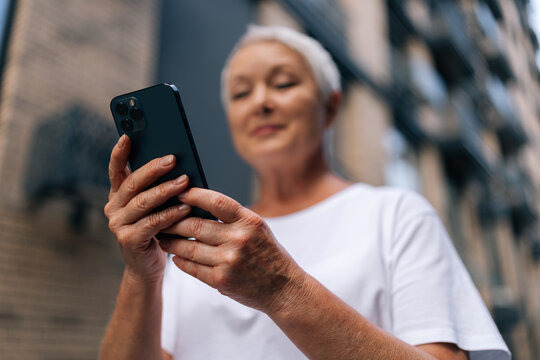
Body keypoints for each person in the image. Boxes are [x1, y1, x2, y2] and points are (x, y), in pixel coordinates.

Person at [99, 25, 510, 360]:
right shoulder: (196, 240)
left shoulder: (395, 214)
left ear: (330, 108)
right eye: (242, 93)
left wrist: (281, 289)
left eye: (283, 83)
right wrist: (142, 273)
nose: (260, 102)